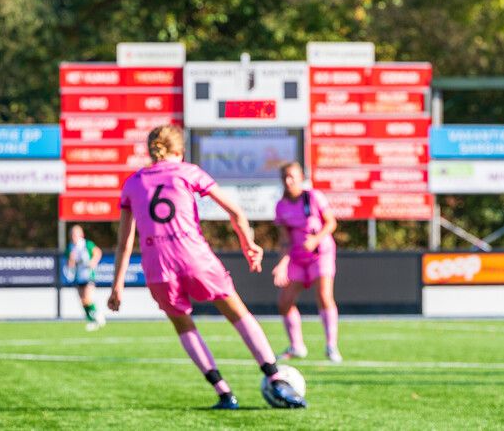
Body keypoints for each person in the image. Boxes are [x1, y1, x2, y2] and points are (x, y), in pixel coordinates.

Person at [108, 124, 306, 410]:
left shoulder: (133, 183)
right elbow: (235, 211)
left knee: (184, 326)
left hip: (158, 266)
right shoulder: (189, 172)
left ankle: (224, 393)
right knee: (237, 313)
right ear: (180, 150)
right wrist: (248, 243)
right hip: (195, 258)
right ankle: (276, 378)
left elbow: (125, 243)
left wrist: (117, 286)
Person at [272, 161, 342, 363]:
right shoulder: (281, 206)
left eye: (292, 176)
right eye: (284, 177)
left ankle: (331, 346)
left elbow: (331, 223)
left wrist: (315, 239)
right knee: (284, 302)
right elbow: (284, 240)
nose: (288, 181)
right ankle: (297, 346)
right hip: (297, 257)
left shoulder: (313, 197)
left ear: (301, 177)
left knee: (324, 295)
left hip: (321, 254)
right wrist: (282, 264)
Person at [66, 224, 105, 331]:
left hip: (88, 275)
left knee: (87, 298)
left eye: (75, 234)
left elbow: (97, 252)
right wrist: (71, 260)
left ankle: (98, 314)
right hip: (78, 276)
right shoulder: (70, 247)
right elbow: (70, 263)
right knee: (82, 300)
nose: (73, 236)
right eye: (72, 234)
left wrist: (93, 261)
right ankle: (91, 320)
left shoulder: (87, 244)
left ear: (81, 234)